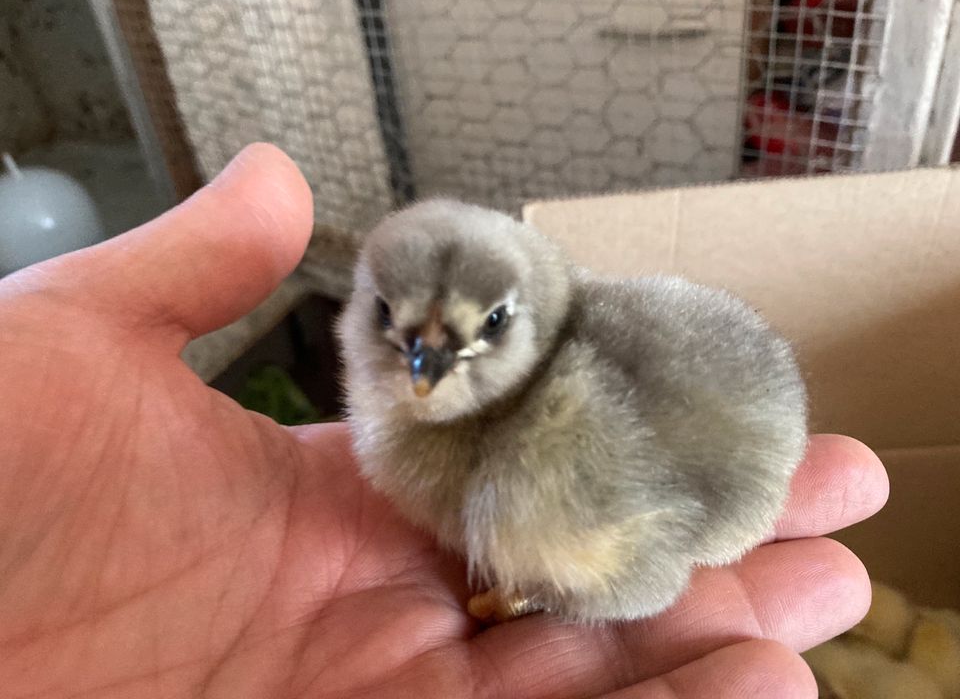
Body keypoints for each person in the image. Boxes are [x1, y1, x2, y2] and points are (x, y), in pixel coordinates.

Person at [0, 144, 888, 698]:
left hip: (696, 471)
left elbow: (644, 582)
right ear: (365, 309)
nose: (426, 368)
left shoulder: (542, 450)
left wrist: (536, 587)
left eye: (484, 328)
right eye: (400, 328)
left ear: (523, 314)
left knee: (538, 507)